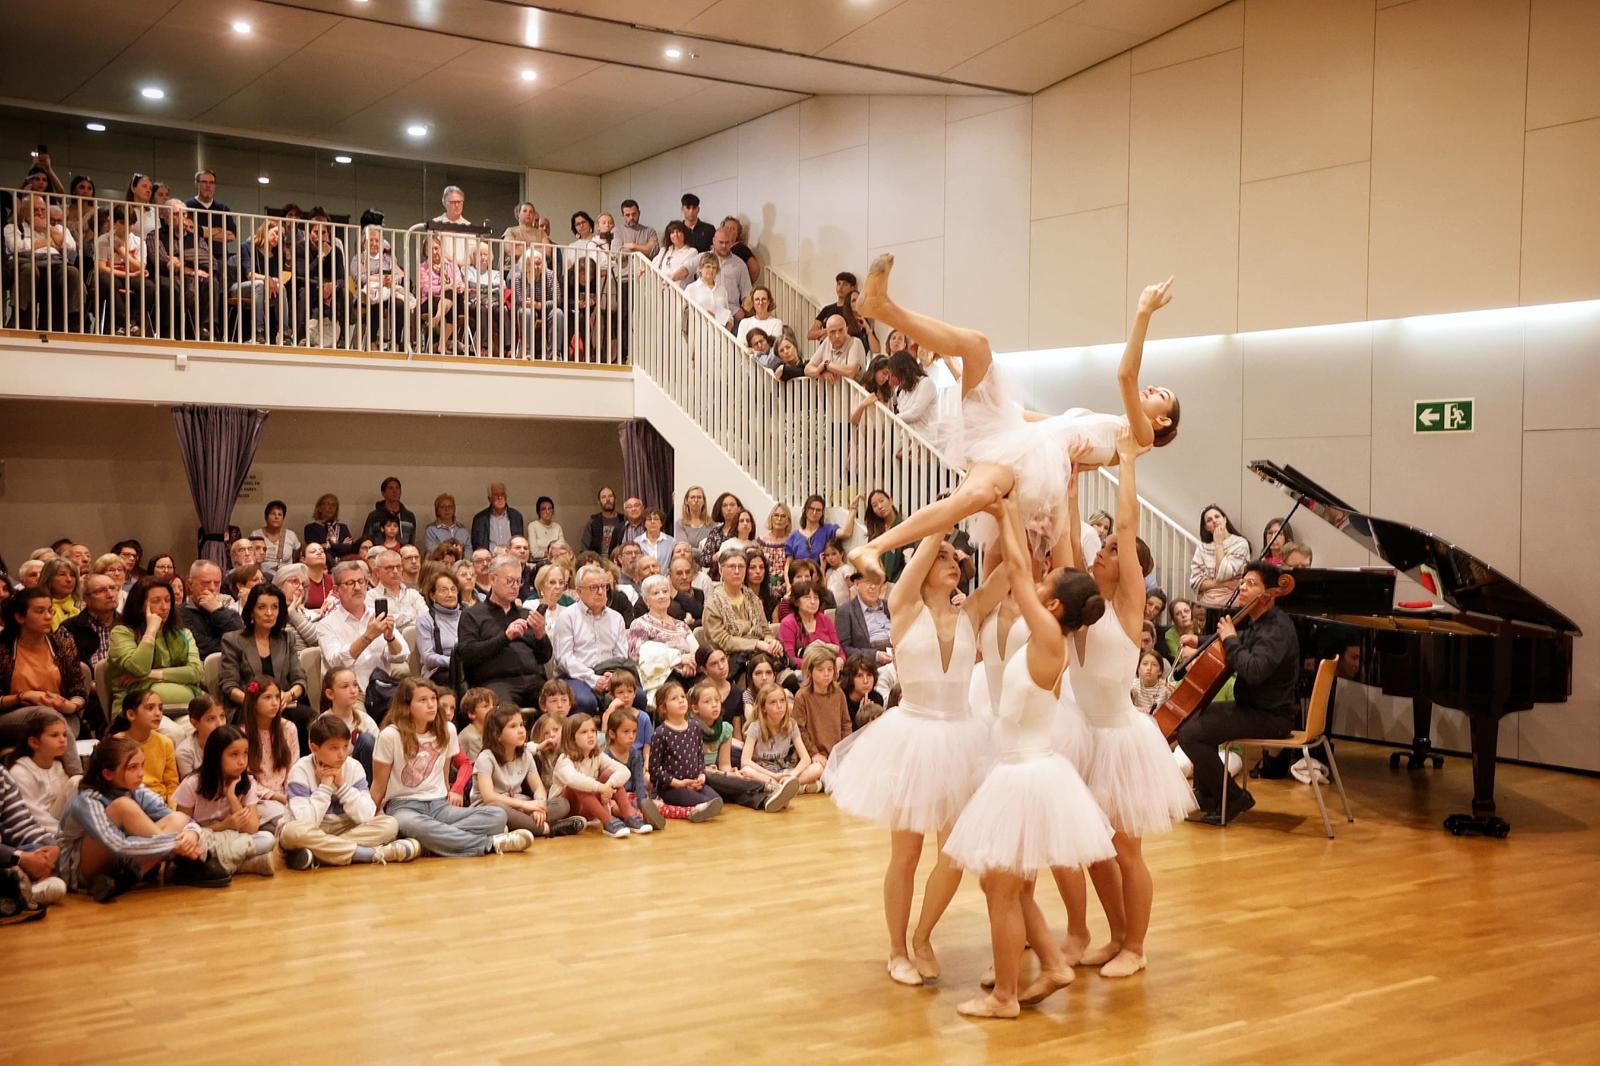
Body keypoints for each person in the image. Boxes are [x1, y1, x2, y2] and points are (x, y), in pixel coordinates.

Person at [848, 264, 1180, 580]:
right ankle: (882, 307)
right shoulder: (1102, 424)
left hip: (1033, 458)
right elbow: (1034, 420)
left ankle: (875, 546)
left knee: (969, 498)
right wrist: (982, 392)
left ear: (1162, 419)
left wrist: (1143, 312)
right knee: (976, 344)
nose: (1150, 388)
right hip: (1019, 434)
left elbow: (1125, 375)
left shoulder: (1141, 438)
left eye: (1160, 393)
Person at [943, 496, 1116, 1019]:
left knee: (1000, 886)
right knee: (1005, 884)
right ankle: (1051, 963)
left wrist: (1004, 511)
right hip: (1024, 767)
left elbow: (1016, 568)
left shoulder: (1046, 634)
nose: (1037, 583)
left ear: (1056, 605)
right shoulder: (1048, 632)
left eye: (1048, 584)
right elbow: (1019, 573)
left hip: (1025, 772)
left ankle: (1005, 996)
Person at [822, 531, 987, 987]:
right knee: (907, 854)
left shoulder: (970, 611)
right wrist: (944, 520)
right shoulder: (905, 608)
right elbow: (930, 543)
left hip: (961, 738)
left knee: (954, 854)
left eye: (958, 558)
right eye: (943, 557)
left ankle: (924, 934)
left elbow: (1012, 572)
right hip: (913, 737)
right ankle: (897, 948)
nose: (953, 562)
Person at [1063, 427, 1196, 979]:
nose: (1105, 550)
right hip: (1082, 734)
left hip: (1119, 737)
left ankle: (1136, 946)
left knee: (1125, 849)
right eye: (1106, 547)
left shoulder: (1128, 604)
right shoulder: (1080, 599)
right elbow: (1072, 544)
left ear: (1134, 567)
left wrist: (1130, 461)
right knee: (1093, 848)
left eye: (1116, 550)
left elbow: (1127, 524)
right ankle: (1115, 934)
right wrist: (1069, 485)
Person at [1175, 561, 1301, 825]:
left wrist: (1230, 639)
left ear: (1269, 594)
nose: (1242, 586)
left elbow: (1254, 670)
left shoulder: (1277, 628)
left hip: (1271, 716)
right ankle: (1210, 797)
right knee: (1193, 720)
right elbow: (1242, 638)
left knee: (1190, 733)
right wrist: (1201, 640)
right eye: (1243, 581)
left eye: (1251, 583)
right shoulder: (1261, 621)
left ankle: (1233, 797)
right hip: (1254, 709)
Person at [371, 677, 529, 857]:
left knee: (497, 816)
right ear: (406, 706)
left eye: (433, 699)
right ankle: (489, 844)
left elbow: (444, 775)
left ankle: (427, 843)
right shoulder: (390, 735)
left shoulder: (447, 730)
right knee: (413, 825)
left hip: (440, 805)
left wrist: (450, 794)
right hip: (404, 806)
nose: (431, 705)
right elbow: (378, 785)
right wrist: (373, 817)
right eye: (423, 700)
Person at [55, 737, 226, 901]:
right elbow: (117, 844)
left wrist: (191, 835)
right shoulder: (86, 798)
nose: (141, 773)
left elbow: (185, 820)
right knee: (123, 805)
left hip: (120, 860)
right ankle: (180, 863)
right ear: (107, 774)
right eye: (132, 768)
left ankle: (126, 877)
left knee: (177, 818)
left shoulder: (136, 789)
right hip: (78, 870)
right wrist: (175, 845)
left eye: (141, 765)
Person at [281, 713, 416, 870]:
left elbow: (366, 816)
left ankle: (321, 853)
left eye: (345, 746)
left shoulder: (354, 767)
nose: (342, 754)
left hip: (343, 828)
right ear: (314, 748)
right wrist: (325, 787)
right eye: (334, 748)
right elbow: (305, 823)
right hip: (314, 830)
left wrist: (342, 785)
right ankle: (372, 854)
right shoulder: (300, 770)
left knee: (389, 824)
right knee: (292, 832)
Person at [0, 589, 89, 776]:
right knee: (49, 720)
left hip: (62, 715)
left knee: (54, 727)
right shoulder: (3, 648)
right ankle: (78, 780)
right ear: (19, 617)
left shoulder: (62, 644)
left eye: (50, 610)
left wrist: (69, 705)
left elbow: (79, 692)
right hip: (11, 717)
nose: (48, 617)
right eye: (40, 611)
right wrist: (21, 697)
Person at [172, 725, 278, 877]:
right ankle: (244, 864)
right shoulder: (192, 783)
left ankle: (215, 865)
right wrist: (223, 826)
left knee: (267, 839)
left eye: (245, 754)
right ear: (216, 756)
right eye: (234, 755)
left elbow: (252, 829)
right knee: (187, 847)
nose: (242, 761)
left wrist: (232, 798)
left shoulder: (247, 782)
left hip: (233, 838)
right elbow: (182, 828)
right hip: (205, 837)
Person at [219, 584, 314, 748]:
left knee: (311, 719)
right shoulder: (233, 640)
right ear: (251, 611)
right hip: (247, 708)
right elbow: (229, 686)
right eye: (262, 607)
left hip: (282, 706)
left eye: (274, 607)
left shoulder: (287, 639)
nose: (269, 613)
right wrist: (256, 702)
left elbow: (300, 680)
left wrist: (288, 695)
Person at [455, 555, 553, 709]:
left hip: (532, 679)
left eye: (518, 581)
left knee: (561, 702)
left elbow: (544, 657)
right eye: (510, 581)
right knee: (505, 713)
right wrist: (505, 637)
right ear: (493, 579)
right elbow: (467, 654)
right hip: (496, 681)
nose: (515, 586)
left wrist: (540, 634)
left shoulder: (526, 614)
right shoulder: (472, 615)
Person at [473, 706, 584, 838]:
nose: (521, 730)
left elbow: (537, 787)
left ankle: (525, 826)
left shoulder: (525, 754)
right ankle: (549, 829)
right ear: (497, 734)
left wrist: (540, 806)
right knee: (499, 810)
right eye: (513, 726)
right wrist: (526, 804)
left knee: (562, 804)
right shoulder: (486, 758)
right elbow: (489, 797)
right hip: (491, 810)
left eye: (521, 725)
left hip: (520, 808)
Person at [549, 564, 641, 715]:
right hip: (576, 676)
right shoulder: (567, 617)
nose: (600, 592)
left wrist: (613, 675)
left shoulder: (616, 618)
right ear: (579, 591)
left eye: (603, 587)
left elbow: (621, 655)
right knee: (586, 702)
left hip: (609, 674)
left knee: (640, 698)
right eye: (593, 587)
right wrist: (592, 678)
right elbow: (564, 658)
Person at [108, 578, 203, 715]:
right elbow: (139, 669)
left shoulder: (183, 634)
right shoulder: (122, 632)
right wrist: (151, 631)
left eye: (168, 600)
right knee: (175, 732)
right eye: (156, 601)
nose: (164, 607)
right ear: (140, 605)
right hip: (135, 711)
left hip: (182, 709)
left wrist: (150, 675)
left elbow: (196, 672)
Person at [315, 561, 410, 693]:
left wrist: (390, 638)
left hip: (382, 691)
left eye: (361, 581)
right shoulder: (326, 625)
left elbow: (402, 655)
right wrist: (368, 637)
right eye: (350, 583)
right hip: (350, 695)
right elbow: (337, 664)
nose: (358, 587)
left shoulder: (378, 616)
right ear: (336, 590)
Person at [702, 545, 784, 680]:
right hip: (731, 661)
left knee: (788, 676)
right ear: (721, 570)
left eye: (741, 567)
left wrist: (770, 641)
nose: (737, 571)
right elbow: (723, 641)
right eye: (732, 567)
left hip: (759, 655)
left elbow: (765, 630)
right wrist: (757, 644)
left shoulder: (752, 598)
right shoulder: (713, 604)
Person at [551, 712, 639, 838]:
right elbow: (573, 779)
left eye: (593, 730)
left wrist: (608, 786)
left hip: (589, 809)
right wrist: (600, 788)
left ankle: (629, 816)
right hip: (566, 812)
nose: (591, 735)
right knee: (578, 785)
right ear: (571, 737)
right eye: (584, 732)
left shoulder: (597, 755)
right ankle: (607, 821)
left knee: (610, 775)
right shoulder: (564, 759)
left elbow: (624, 771)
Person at [646, 681, 721, 821]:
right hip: (672, 787)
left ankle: (698, 808)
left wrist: (701, 775)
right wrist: (677, 783)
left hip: (694, 782)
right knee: (703, 803)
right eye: (674, 699)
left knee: (716, 800)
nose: (681, 701)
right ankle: (690, 811)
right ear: (663, 707)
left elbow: (699, 755)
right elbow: (654, 769)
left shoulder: (694, 727)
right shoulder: (661, 733)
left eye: (682, 697)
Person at [5, 709, 78, 837]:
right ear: (34, 742)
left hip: (59, 821)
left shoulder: (58, 766)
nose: (63, 740)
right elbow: (30, 813)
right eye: (55, 735)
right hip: (35, 827)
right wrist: (63, 834)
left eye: (64, 735)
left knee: (77, 781)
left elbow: (66, 802)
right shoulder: (20, 772)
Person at [740, 683, 822, 792]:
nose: (779, 706)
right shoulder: (755, 727)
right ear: (764, 708)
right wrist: (773, 776)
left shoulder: (791, 724)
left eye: (782, 701)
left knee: (818, 767)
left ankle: (780, 788)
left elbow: (806, 758)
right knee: (747, 771)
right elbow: (745, 761)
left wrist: (792, 775)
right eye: (773, 702)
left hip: (785, 771)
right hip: (764, 773)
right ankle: (797, 788)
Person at [793, 643, 851, 779]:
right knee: (818, 770)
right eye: (820, 670)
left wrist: (843, 751)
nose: (826, 674)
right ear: (810, 671)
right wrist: (814, 753)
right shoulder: (802, 696)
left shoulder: (839, 693)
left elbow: (846, 724)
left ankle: (815, 784)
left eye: (830, 669)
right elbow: (799, 730)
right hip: (814, 756)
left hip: (837, 753)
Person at [111, 690, 179, 803]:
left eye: (160, 708)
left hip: (159, 802)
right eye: (150, 708)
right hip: (129, 800)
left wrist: (173, 809)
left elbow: (172, 784)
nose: (158, 713)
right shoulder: (116, 743)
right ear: (131, 714)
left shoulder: (165, 743)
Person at [1191, 505, 1251, 618]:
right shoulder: (1202, 548)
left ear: (1224, 519)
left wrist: (1218, 544)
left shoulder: (1240, 543)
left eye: (1217, 516)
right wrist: (1225, 584)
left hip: (1234, 603)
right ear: (1206, 527)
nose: (1214, 520)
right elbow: (1196, 583)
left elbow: (1224, 574)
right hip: (1208, 605)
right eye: (1209, 520)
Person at [177, 561, 243, 660]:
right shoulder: (179, 613)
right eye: (205, 583)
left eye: (217, 583)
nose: (212, 588)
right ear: (190, 584)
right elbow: (202, 648)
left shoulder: (226, 610)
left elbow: (241, 638)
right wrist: (232, 646)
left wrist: (217, 610)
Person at [777, 581, 840, 673]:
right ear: (796, 601)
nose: (813, 602)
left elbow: (839, 649)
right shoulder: (788, 623)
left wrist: (840, 660)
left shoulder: (825, 619)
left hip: (830, 669)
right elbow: (790, 658)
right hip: (804, 671)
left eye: (816, 598)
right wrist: (817, 667)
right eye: (807, 597)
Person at [416, 569, 463, 684]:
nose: (450, 594)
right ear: (433, 595)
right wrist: (454, 662)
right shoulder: (426, 620)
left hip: (467, 667)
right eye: (444, 590)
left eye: (453, 589)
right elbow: (428, 657)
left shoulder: (467, 616)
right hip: (439, 672)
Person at [366, 550, 427, 630]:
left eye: (398, 567)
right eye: (389, 568)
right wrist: (412, 617)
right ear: (377, 571)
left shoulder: (413, 594)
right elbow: (381, 624)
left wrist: (395, 620)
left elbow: (426, 619)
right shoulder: (370, 597)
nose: (395, 571)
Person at [176, 695, 225, 778]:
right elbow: (190, 787)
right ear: (195, 723)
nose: (220, 724)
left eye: (222, 716)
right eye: (211, 719)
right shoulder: (185, 752)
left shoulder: (231, 743)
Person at [361, 477, 417, 546]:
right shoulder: (374, 516)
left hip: (403, 554)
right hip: (379, 554)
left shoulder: (409, 516)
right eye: (390, 488)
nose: (395, 491)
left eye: (397, 488)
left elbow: (412, 542)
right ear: (383, 493)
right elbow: (366, 540)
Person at [470, 484, 525, 554]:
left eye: (502, 494)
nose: (500, 498)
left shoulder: (516, 516)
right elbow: (477, 546)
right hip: (489, 560)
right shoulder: (479, 519)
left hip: (511, 559)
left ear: (506, 497)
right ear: (489, 499)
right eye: (496, 495)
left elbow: (520, 542)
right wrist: (495, 551)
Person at [579, 486, 627, 557]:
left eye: (610, 496)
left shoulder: (624, 521)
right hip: (597, 563)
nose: (607, 499)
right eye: (604, 497)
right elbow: (584, 549)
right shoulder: (593, 522)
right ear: (599, 502)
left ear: (615, 499)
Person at [526, 497, 564, 564]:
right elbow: (535, 553)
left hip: (556, 563)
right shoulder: (532, 526)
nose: (547, 512)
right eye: (543, 509)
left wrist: (543, 550)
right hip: (538, 564)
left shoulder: (557, 527)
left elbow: (562, 550)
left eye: (550, 508)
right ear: (538, 512)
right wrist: (553, 553)